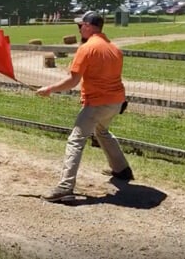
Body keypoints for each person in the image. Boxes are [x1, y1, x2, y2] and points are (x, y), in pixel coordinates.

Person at [36, 11, 133, 203]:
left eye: (81, 26)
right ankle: (122, 170)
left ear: (88, 26)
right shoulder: (114, 48)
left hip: (97, 103)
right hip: (116, 102)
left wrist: (49, 89)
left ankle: (65, 187)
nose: (79, 29)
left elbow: (73, 81)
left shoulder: (87, 48)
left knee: (76, 140)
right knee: (102, 131)